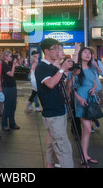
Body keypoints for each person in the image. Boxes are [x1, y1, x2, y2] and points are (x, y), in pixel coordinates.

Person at [35, 38, 74, 168]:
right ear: (46, 51)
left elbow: (62, 85)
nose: (58, 51)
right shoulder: (42, 67)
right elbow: (51, 84)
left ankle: (49, 165)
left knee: (52, 143)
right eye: (54, 48)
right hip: (52, 113)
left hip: (60, 109)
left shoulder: (52, 67)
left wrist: (69, 72)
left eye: (59, 48)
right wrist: (62, 69)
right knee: (64, 148)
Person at [68, 46, 99, 167]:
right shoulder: (76, 69)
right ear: (80, 54)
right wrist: (79, 98)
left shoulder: (92, 69)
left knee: (88, 130)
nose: (88, 54)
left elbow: (95, 83)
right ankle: (83, 156)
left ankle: (85, 155)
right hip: (81, 99)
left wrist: (94, 88)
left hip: (91, 99)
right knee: (86, 128)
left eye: (89, 53)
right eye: (85, 52)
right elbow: (70, 87)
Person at [0, 50, 21, 131]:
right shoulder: (3, 65)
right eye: (10, 56)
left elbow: (19, 65)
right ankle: (4, 124)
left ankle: (12, 123)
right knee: (7, 106)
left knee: (13, 106)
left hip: (13, 86)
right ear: (5, 57)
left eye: (12, 56)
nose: (12, 58)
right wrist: (13, 65)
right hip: (7, 87)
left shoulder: (9, 63)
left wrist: (18, 60)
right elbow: (11, 74)